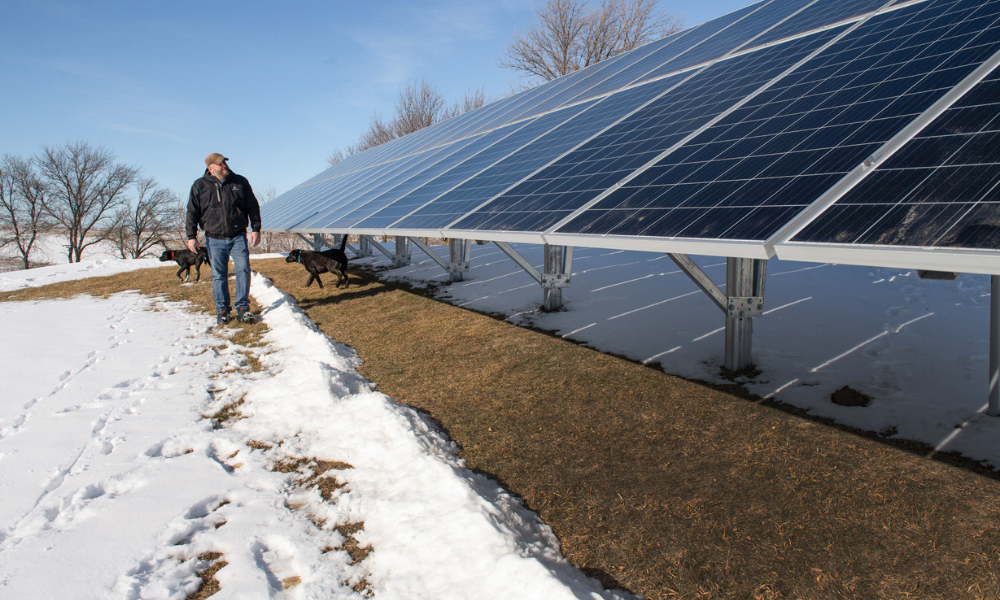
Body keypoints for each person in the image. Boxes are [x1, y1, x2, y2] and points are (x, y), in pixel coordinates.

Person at [186, 153, 262, 325]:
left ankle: (243, 308)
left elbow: (252, 206)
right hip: (214, 238)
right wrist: (191, 236)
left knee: (243, 269)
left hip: (238, 235)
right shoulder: (200, 185)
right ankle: (222, 311)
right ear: (210, 168)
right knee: (218, 275)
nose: (225, 166)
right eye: (220, 164)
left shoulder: (240, 182)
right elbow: (192, 212)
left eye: (225, 163)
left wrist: (256, 228)